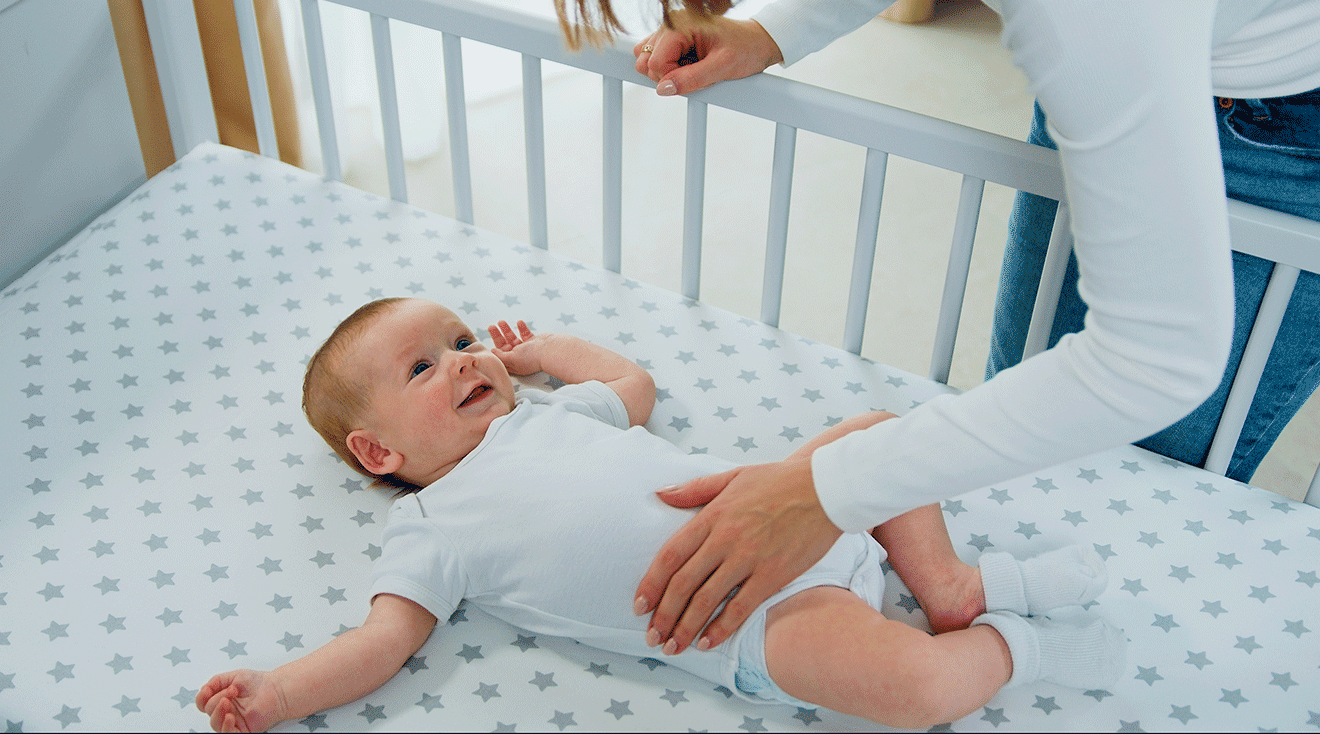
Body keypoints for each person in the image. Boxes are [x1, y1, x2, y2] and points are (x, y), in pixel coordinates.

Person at [555, 0, 1320, 659]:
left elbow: (1159, 359)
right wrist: (782, 28)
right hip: (1157, 51)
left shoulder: (1095, 18)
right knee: (1028, 410)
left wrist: (822, 495)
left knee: (1134, 481)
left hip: (1287, 119)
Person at [195, 297, 1124, 732]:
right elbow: (379, 642)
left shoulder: (551, 411)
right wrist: (280, 693)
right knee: (916, 695)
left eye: (462, 338)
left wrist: (546, 354)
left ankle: (953, 586)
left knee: (881, 432)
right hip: (756, 619)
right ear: (378, 454)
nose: (469, 359)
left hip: (789, 503)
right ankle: (1018, 649)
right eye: (424, 368)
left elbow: (630, 385)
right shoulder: (434, 528)